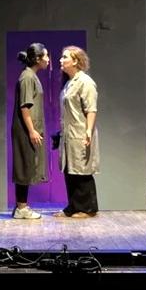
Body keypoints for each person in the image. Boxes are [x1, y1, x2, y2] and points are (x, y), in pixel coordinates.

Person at [54, 46, 99, 218]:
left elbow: (91, 109)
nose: (61, 60)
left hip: (80, 132)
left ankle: (88, 209)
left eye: (65, 57)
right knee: (70, 170)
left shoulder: (85, 82)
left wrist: (88, 131)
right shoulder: (68, 83)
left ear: (75, 61)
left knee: (82, 171)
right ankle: (73, 206)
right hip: (69, 133)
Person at [10, 43, 50, 220]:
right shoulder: (27, 77)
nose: (48, 59)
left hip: (29, 128)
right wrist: (32, 130)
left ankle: (22, 206)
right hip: (25, 129)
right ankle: (21, 208)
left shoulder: (31, 76)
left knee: (27, 164)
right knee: (24, 165)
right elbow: (24, 106)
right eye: (46, 56)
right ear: (38, 59)